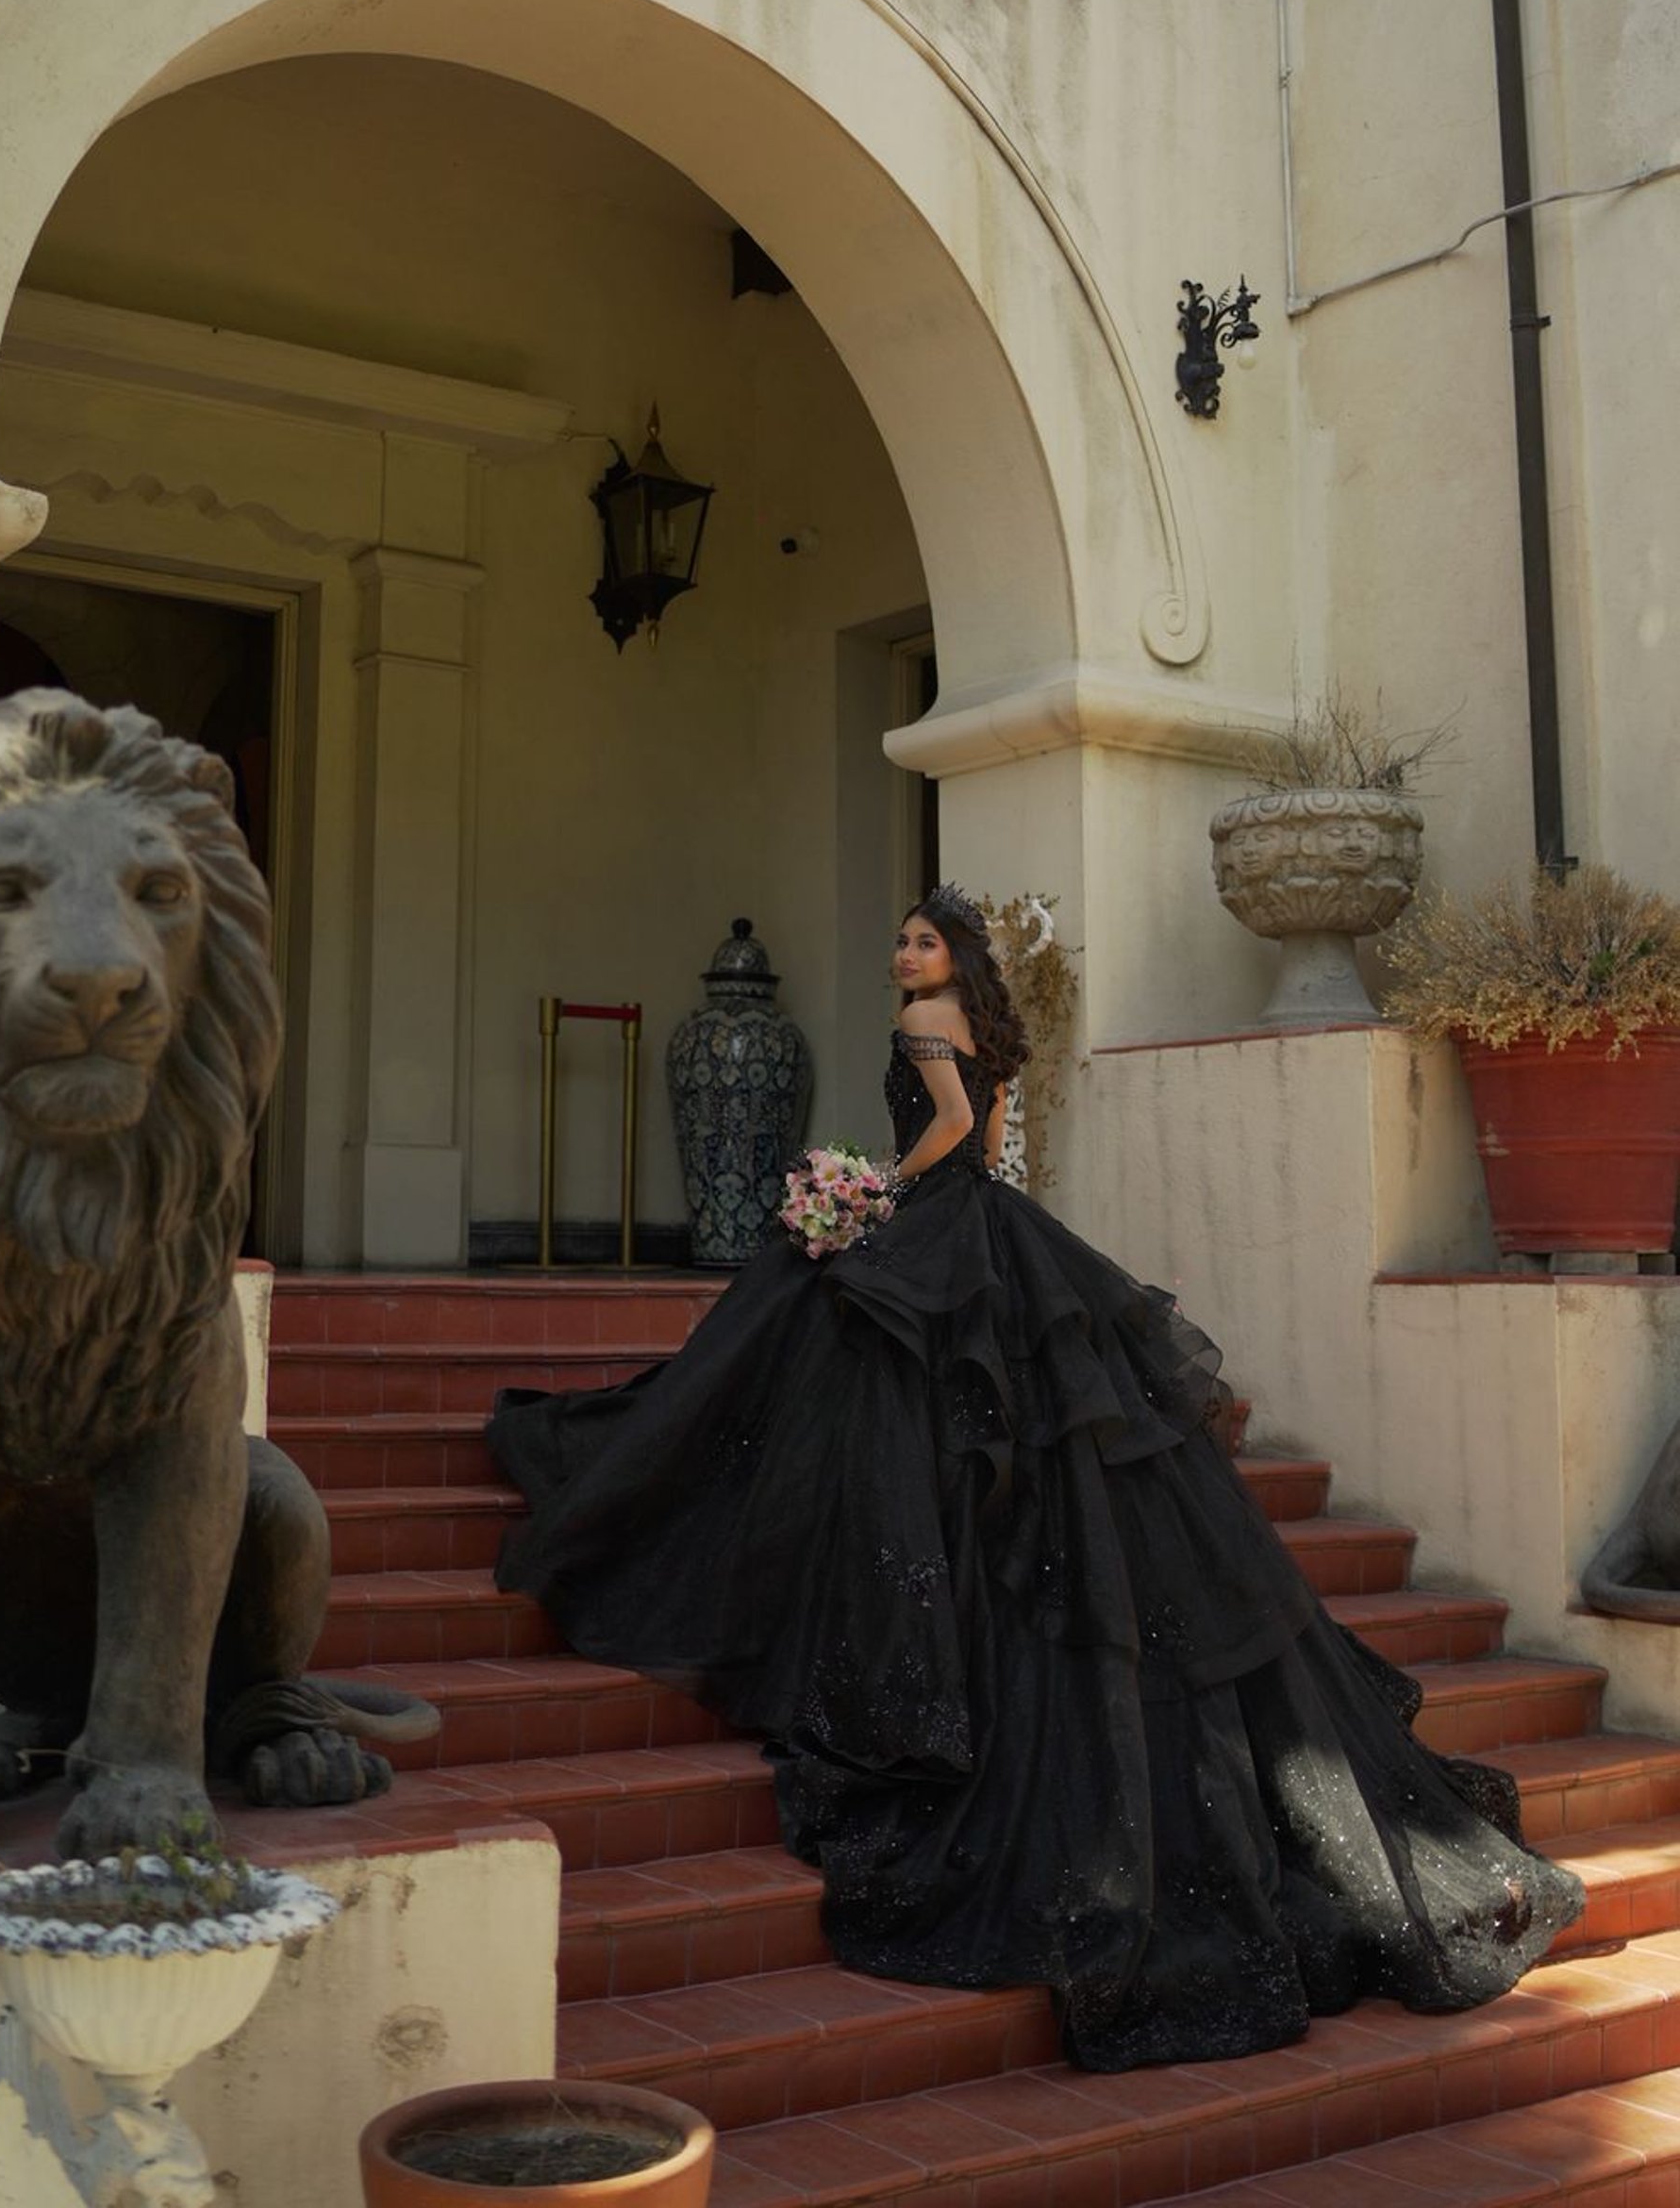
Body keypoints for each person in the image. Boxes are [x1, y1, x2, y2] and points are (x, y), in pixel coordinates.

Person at [489, 884, 1583, 2071]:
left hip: (946, 1218)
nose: (905, 953)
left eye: (924, 940)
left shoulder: (925, 1023)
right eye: (902, 939)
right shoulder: (987, 1024)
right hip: (998, 1228)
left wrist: (879, 1191)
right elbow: (996, 1128)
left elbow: (958, 1123)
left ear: (954, 955)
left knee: (834, 1354)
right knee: (985, 1422)